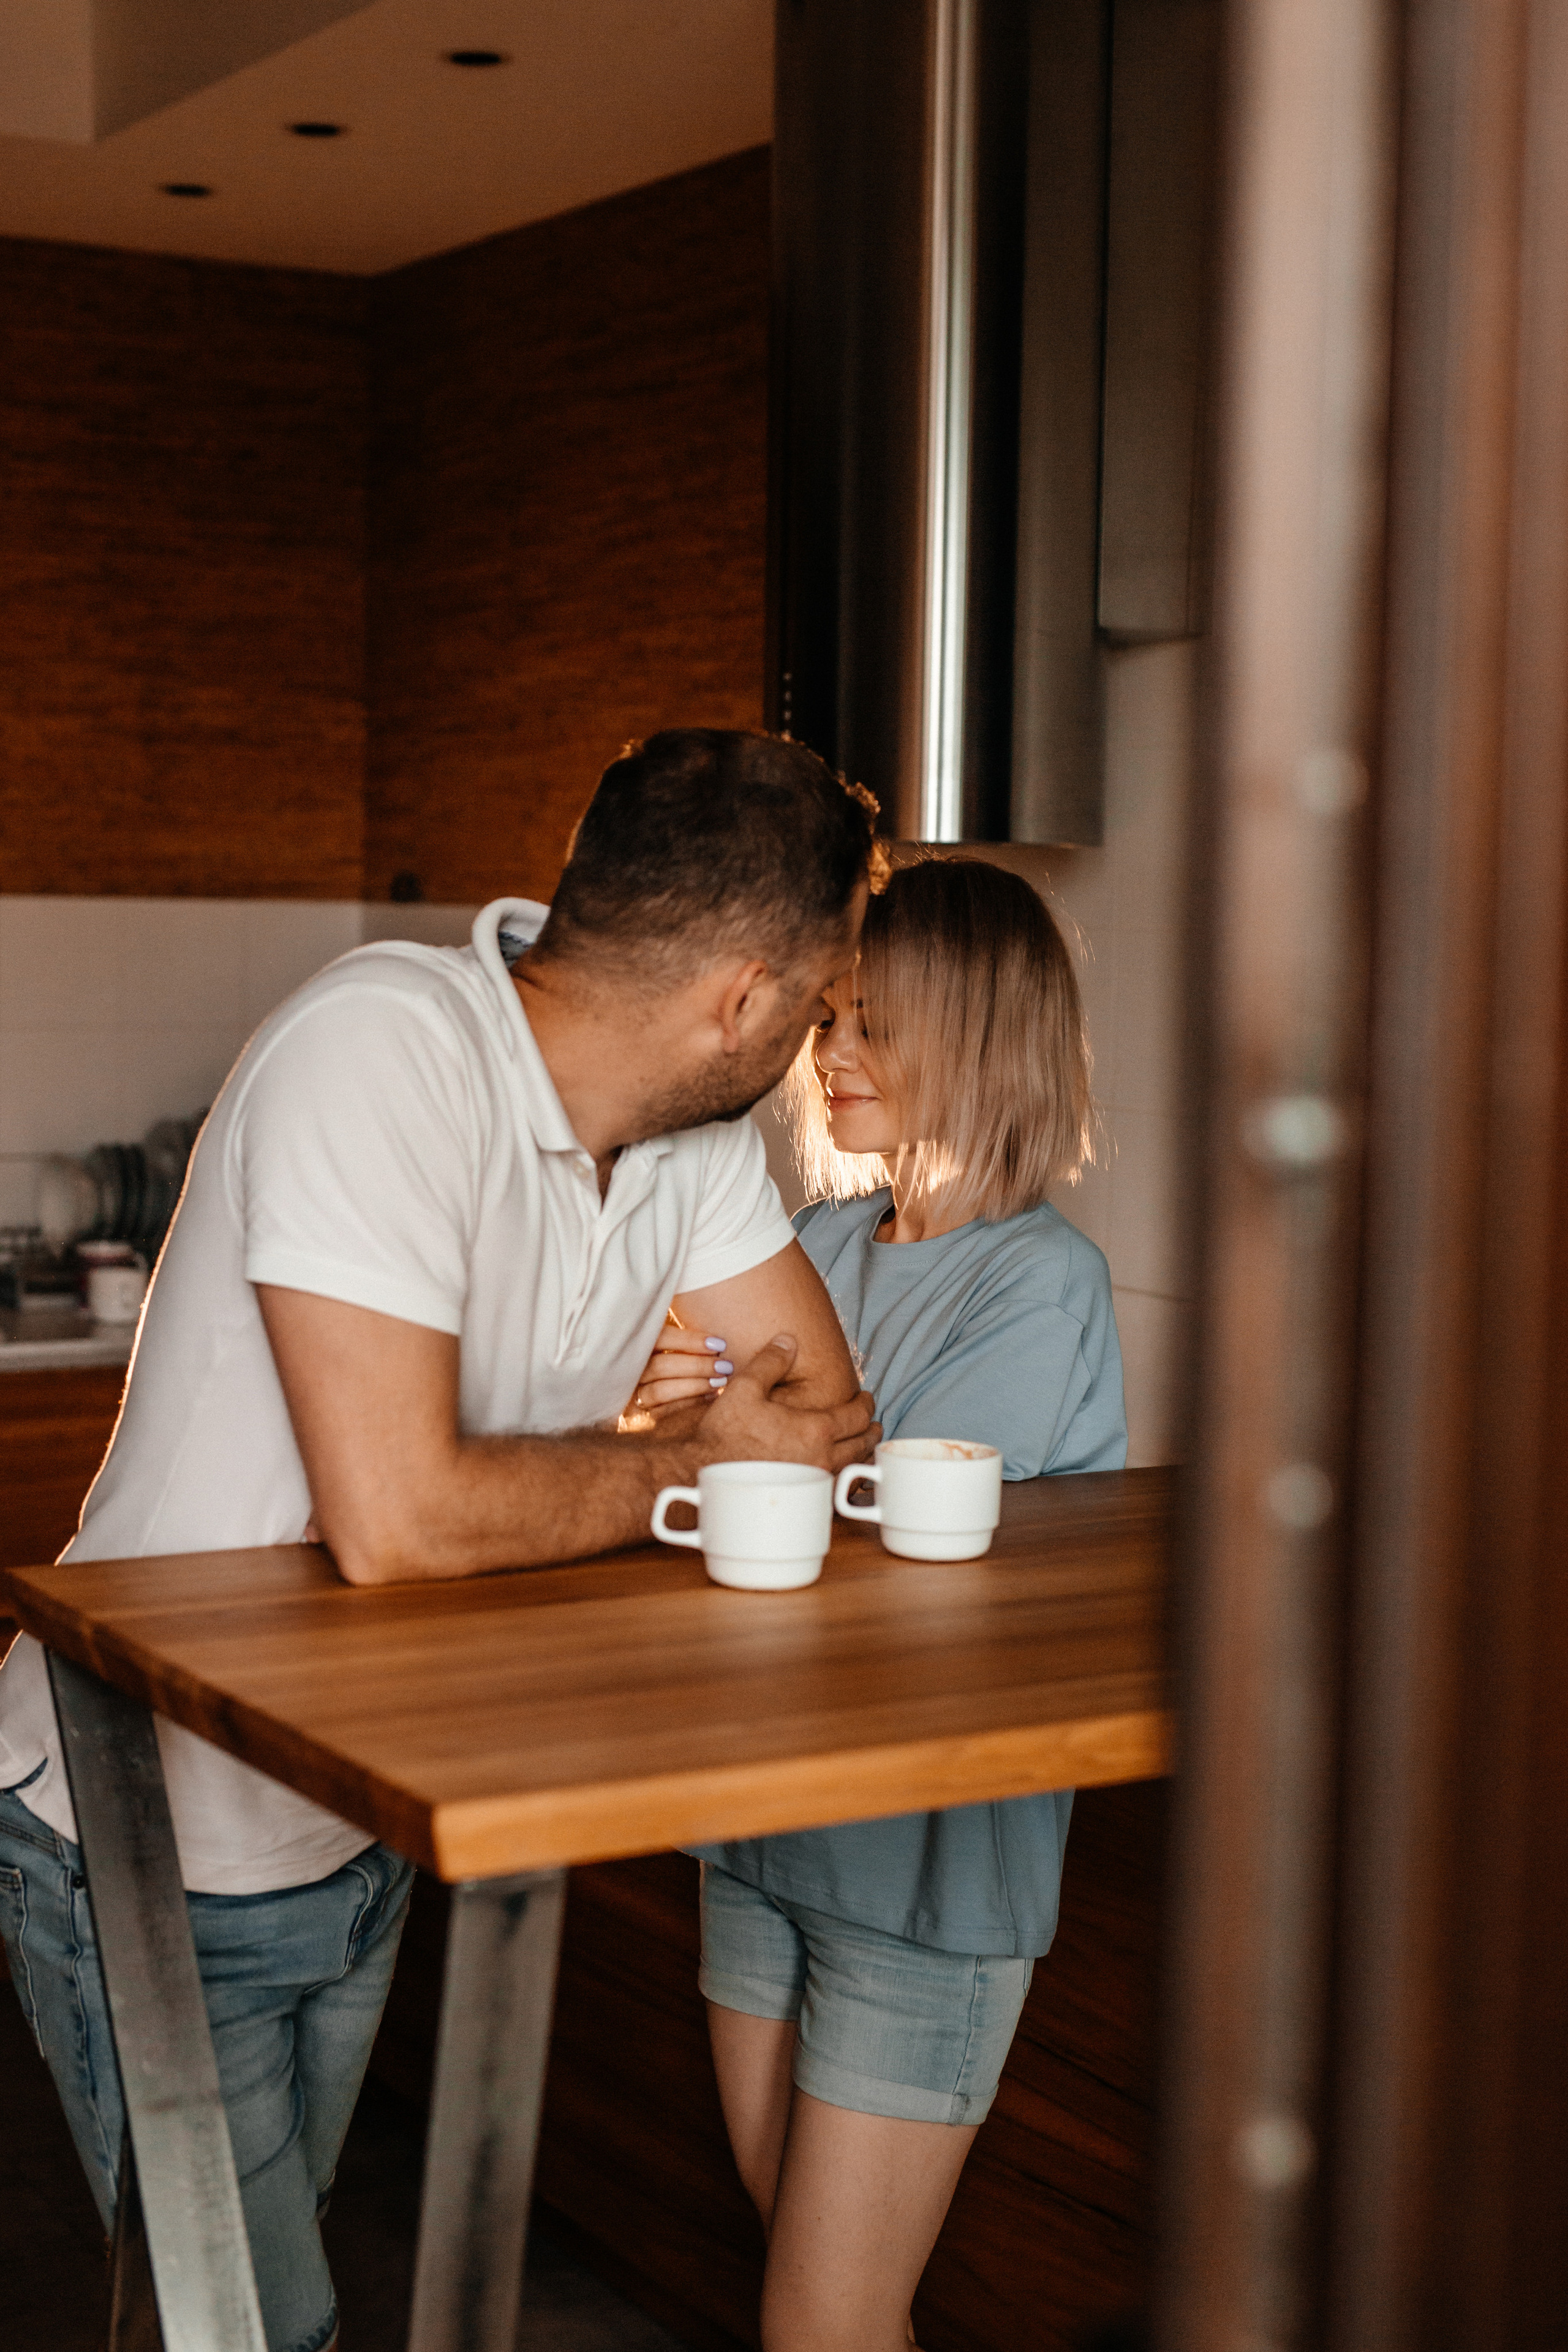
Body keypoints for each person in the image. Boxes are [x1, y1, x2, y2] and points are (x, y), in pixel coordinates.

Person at [0, 729, 881, 2352]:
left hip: (358, 1819)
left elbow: (826, 1417)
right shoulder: (383, 1052)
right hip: (141, 1822)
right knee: (259, 2330)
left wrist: (658, 1460)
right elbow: (398, 1522)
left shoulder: (687, 1144)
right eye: (825, 995)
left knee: (208, 2315)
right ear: (746, 995)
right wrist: (678, 1456)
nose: (825, 1035)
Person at [632, 856, 1126, 2352]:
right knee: (810, 2287)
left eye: (877, 1026)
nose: (829, 1055)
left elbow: (879, 1544)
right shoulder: (819, 1246)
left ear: (985, 1037)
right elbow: (704, 1481)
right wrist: (659, 1424)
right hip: (757, 1832)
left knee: (824, 2321)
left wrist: (732, 1445)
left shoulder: (1042, 1285)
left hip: (928, 1878)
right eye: (830, 1018)